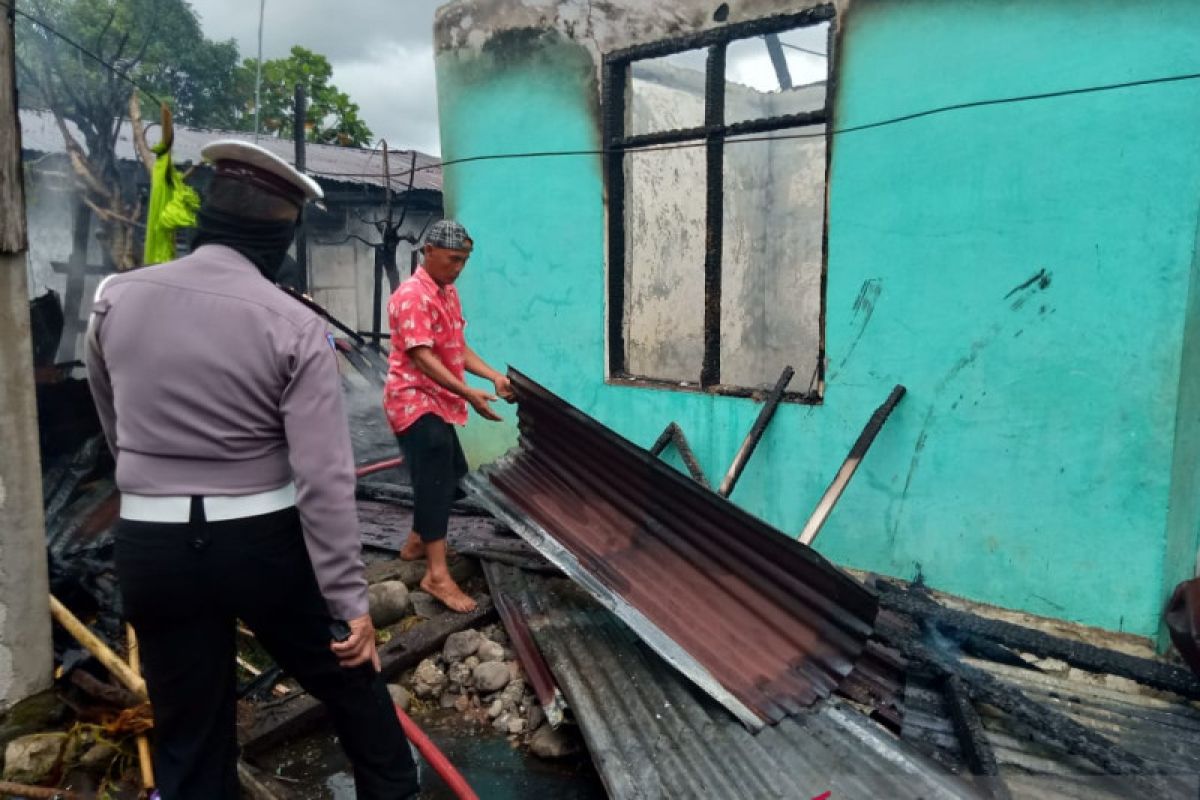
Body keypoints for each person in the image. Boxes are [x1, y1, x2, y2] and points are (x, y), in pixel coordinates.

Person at [85, 140, 419, 800]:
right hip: (261, 546)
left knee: (190, 736)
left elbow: (114, 427)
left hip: (151, 550)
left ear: (207, 216)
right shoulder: (292, 324)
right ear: (282, 235)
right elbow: (324, 480)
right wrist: (351, 603)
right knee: (355, 691)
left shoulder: (113, 300)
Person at [384, 219, 512, 613]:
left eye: (464, 261)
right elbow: (422, 356)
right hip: (412, 398)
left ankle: (418, 541)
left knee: (448, 473)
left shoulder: (447, 293)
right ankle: (436, 575)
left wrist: (492, 376)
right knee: (437, 475)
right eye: (453, 259)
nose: (458, 268)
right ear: (429, 252)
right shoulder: (412, 297)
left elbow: (456, 347)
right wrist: (468, 393)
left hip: (438, 399)